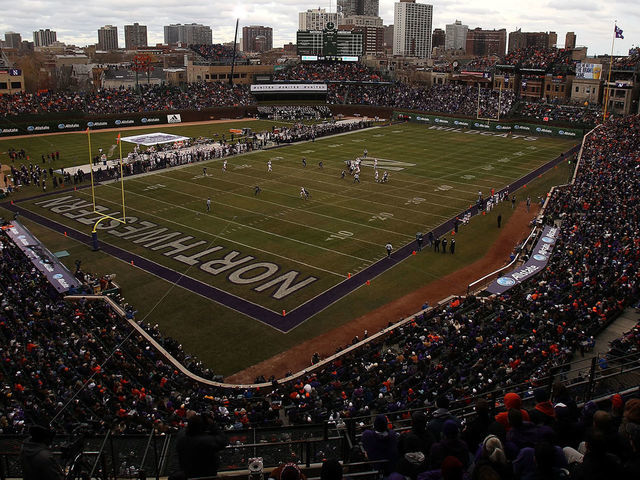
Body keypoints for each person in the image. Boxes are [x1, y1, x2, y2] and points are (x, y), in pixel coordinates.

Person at [174, 413, 229, 480]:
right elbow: (223, 441)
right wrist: (212, 425)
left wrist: (194, 422)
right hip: (206, 475)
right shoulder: (205, 441)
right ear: (201, 427)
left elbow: (186, 430)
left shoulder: (181, 437)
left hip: (187, 474)